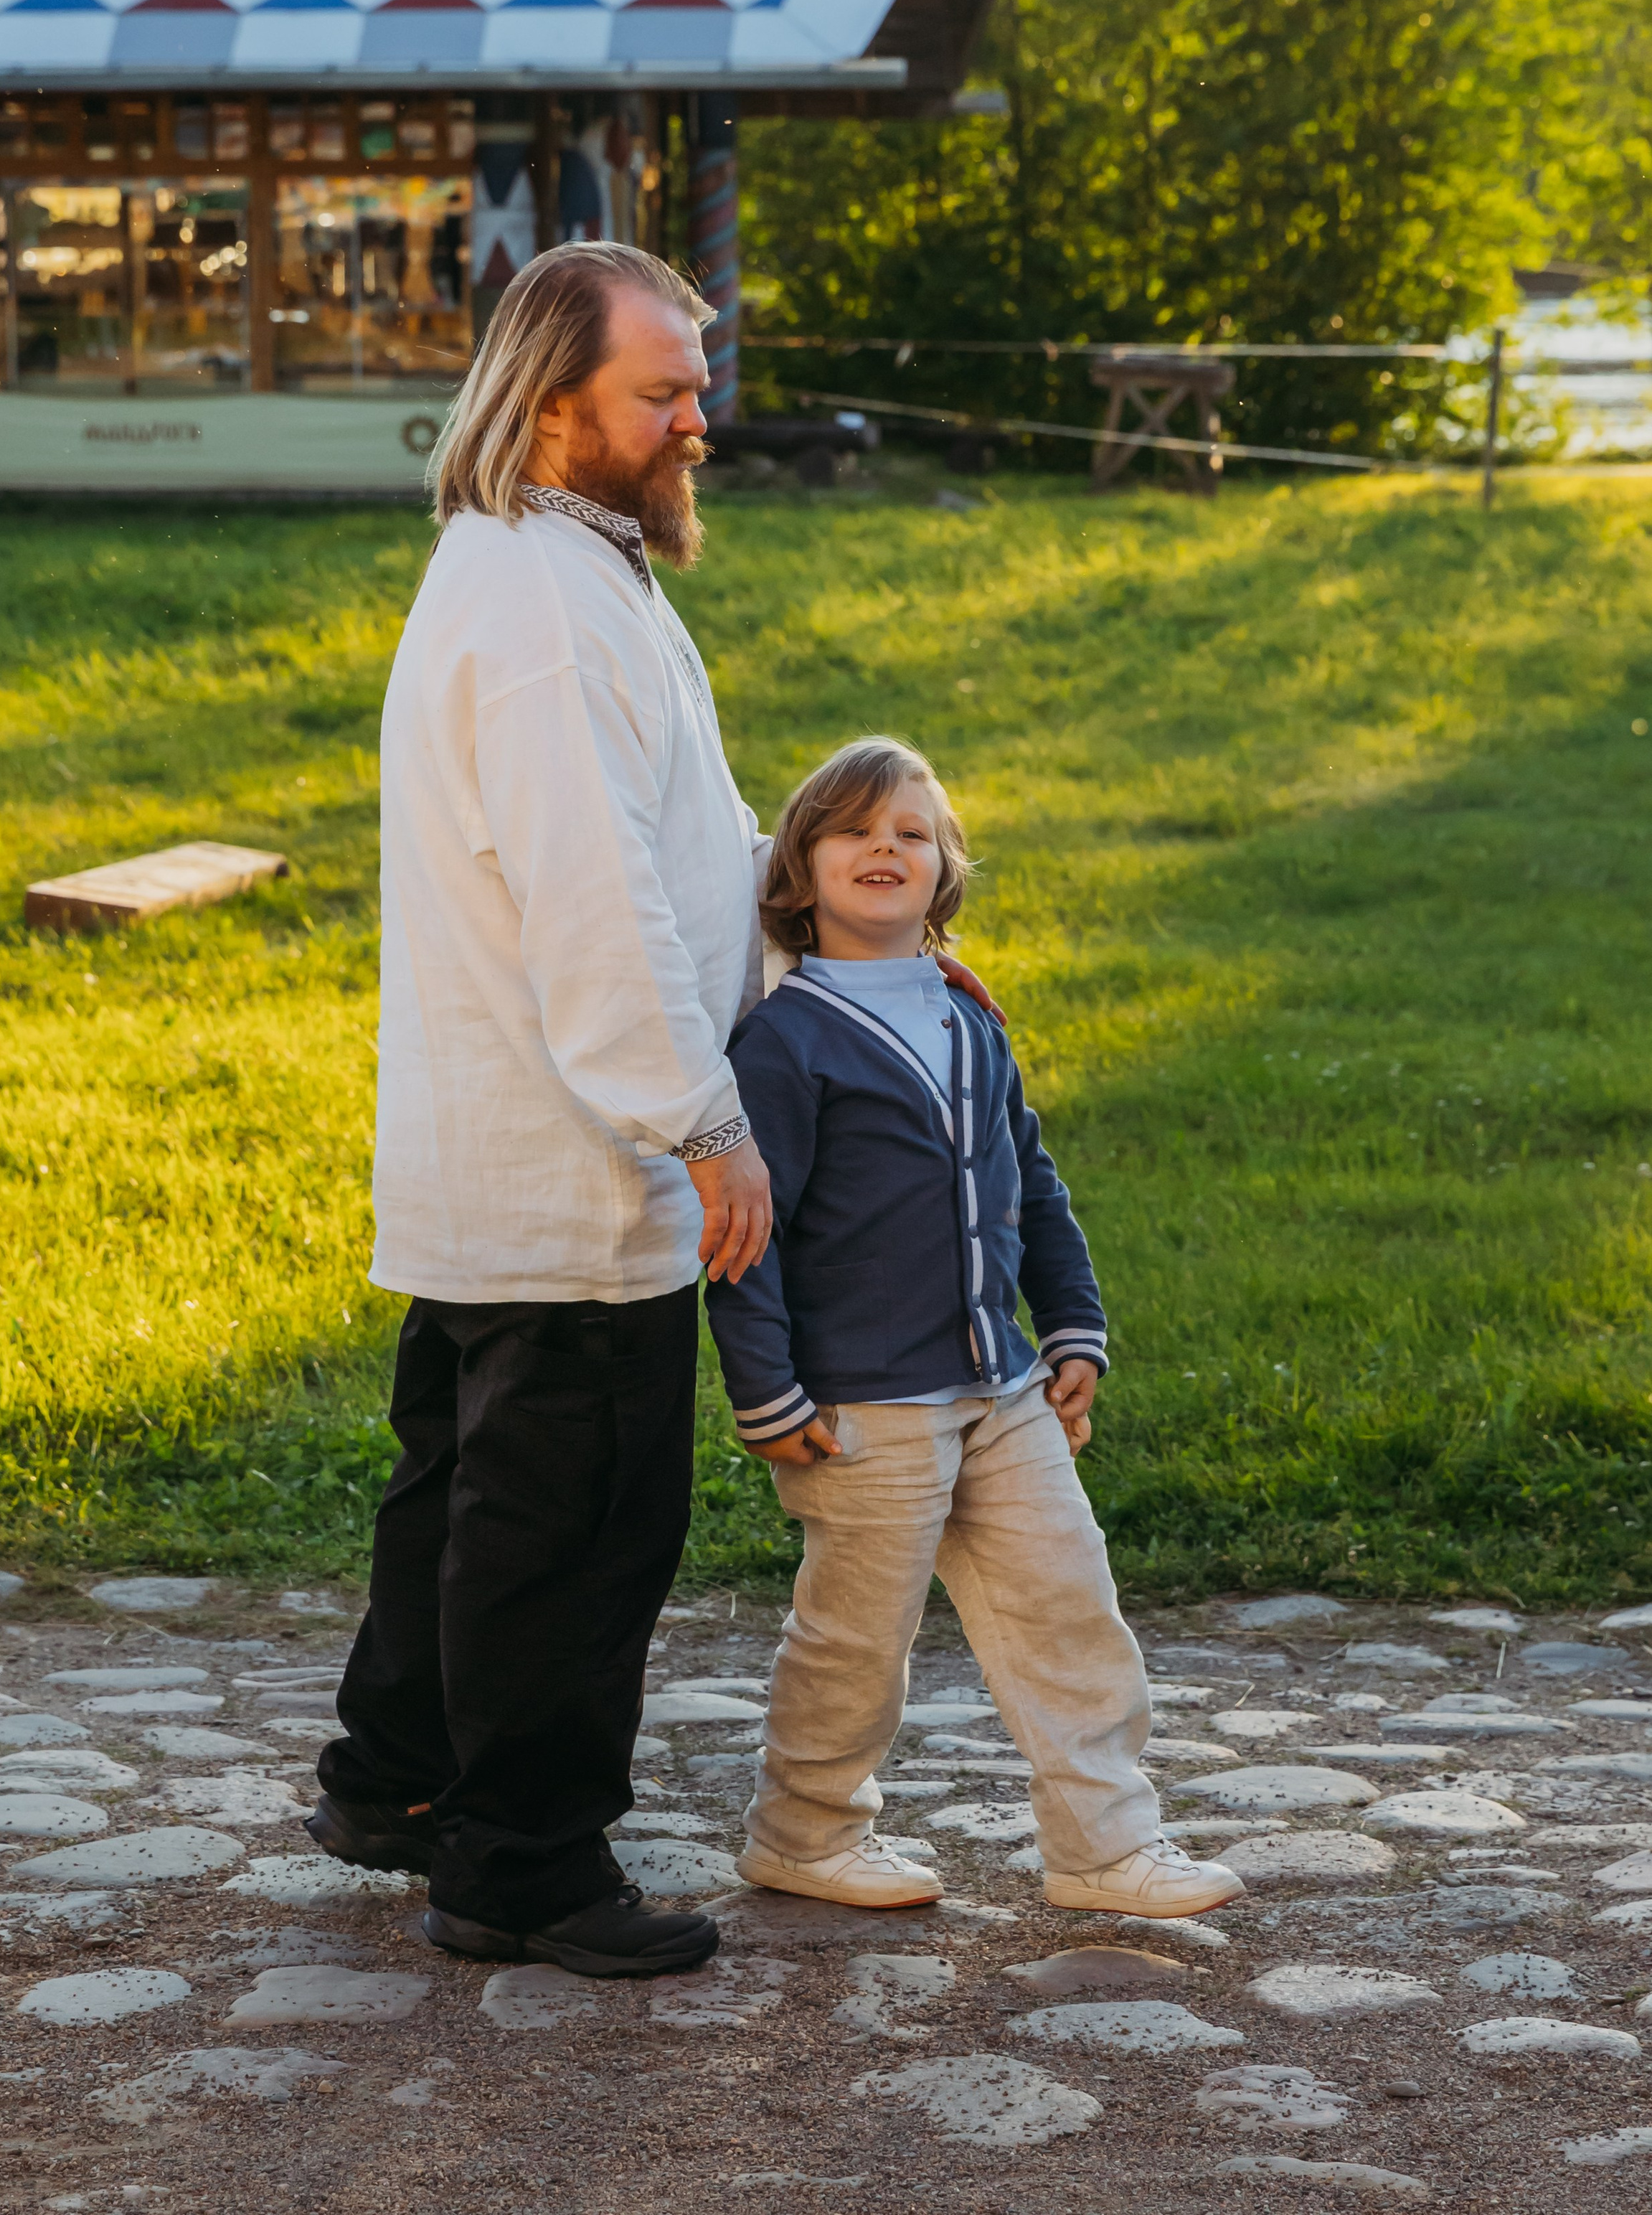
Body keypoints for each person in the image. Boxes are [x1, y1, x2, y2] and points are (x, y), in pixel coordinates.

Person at [306, 246, 996, 1980]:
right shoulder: (539, 602)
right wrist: (703, 1122)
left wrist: (856, 974)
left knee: (462, 1487)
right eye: (661, 393)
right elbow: (594, 894)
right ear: (551, 408)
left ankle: (395, 1781)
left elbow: (686, 850)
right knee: (574, 1519)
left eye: (697, 382)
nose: (702, 418)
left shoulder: (556, 565)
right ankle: (520, 1865)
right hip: (574, 1156)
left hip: (508, 1153)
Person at [704, 737, 1247, 1920]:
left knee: (1069, 1607)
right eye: (851, 830)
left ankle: (1105, 1848)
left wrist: (1073, 1327)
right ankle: (803, 1832)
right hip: (861, 1406)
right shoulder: (785, 1040)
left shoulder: (968, 1014)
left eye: (911, 831)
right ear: (796, 870)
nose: (882, 848)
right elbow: (751, 1234)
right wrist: (768, 1391)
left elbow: (1031, 1185)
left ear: (948, 867)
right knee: (854, 1638)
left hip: (1000, 1388)